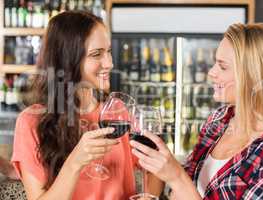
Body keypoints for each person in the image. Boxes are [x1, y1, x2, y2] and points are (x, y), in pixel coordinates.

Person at [130, 23, 263, 199]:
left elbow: (181, 184)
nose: (211, 72)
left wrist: (177, 177)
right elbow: (179, 192)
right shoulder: (218, 119)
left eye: (223, 67)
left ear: (254, 76)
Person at [11, 11, 162, 200]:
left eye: (108, 51)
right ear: (67, 60)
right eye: (96, 54)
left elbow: (156, 167)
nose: (109, 63)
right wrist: (75, 162)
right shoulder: (31, 121)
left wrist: (149, 197)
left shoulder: (117, 111)